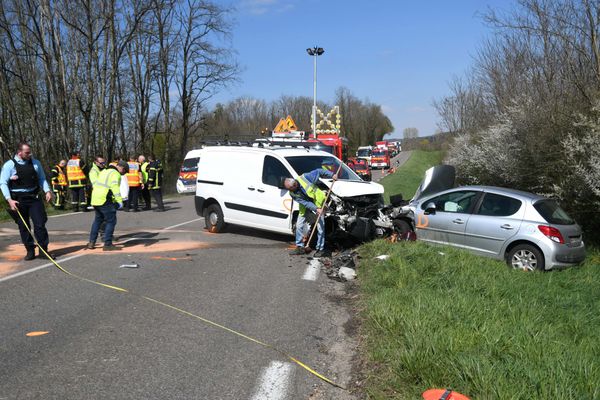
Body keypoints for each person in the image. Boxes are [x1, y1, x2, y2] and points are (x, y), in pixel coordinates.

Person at [0, 142, 55, 260]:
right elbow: (3, 183)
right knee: (23, 226)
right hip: (18, 200)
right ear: (19, 152)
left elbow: (42, 178)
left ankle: (43, 250)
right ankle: (30, 250)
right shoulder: (9, 165)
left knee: (40, 224)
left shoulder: (36, 163)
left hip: (34, 197)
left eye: (30, 152)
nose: (30, 154)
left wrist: (47, 191)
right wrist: (9, 200)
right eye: (27, 152)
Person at [285, 167, 337, 258]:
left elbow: (319, 171)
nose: (291, 191)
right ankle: (300, 247)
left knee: (320, 226)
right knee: (299, 225)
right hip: (306, 206)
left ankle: (320, 249)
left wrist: (332, 175)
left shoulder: (306, 177)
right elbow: (305, 202)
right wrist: (315, 209)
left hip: (318, 201)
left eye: (291, 189)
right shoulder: (292, 193)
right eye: (289, 189)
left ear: (295, 184)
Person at [87, 160, 128, 251]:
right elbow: (115, 188)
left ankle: (91, 242)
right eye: (124, 172)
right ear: (122, 168)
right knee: (111, 221)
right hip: (104, 199)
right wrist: (119, 201)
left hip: (95, 198)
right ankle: (108, 244)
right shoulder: (115, 174)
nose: (123, 174)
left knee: (98, 220)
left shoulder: (104, 171)